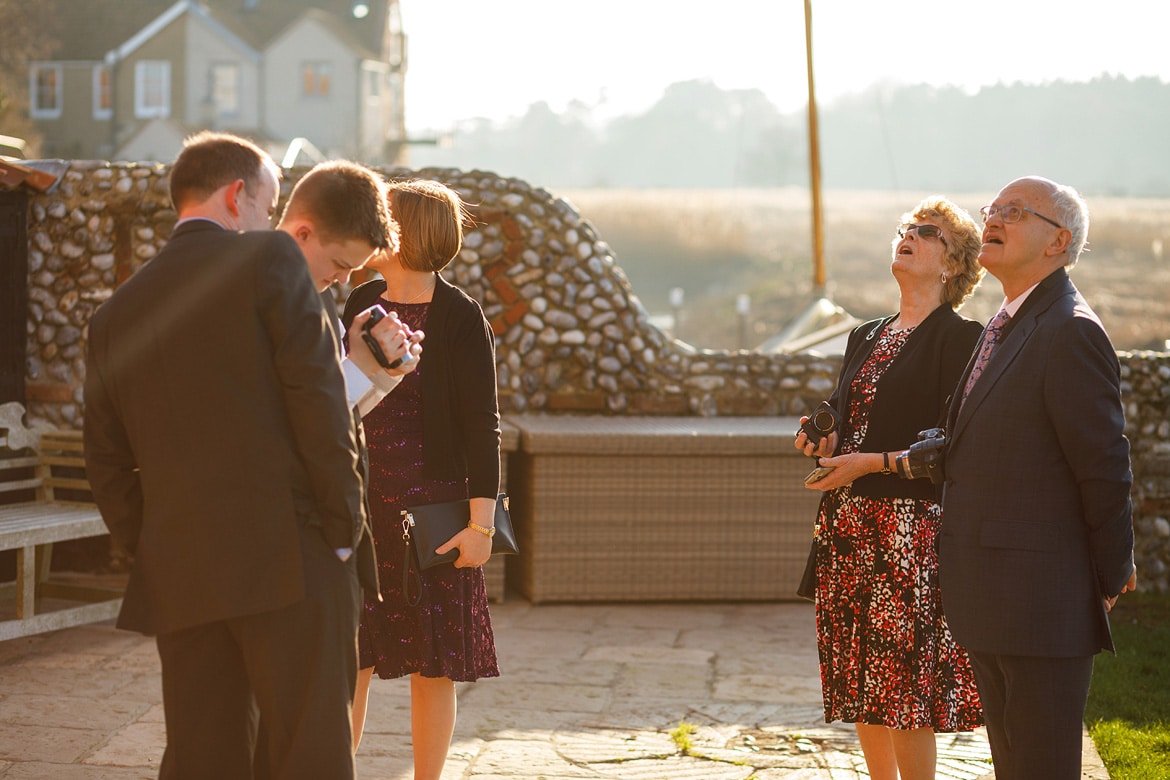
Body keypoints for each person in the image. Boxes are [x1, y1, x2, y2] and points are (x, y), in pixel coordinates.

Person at [83, 131, 401, 780]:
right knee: (308, 751)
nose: (272, 221)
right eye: (269, 203)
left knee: (204, 756)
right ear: (237, 198)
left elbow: (107, 463)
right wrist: (344, 534)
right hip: (294, 556)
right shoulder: (269, 261)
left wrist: (154, 544)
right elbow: (317, 404)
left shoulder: (114, 315)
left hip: (182, 566)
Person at [938, 176, 1136, 780]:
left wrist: (1107, 573)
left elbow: (1104, 466)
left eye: (1015, 212)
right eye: (992, 209)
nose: (993, 219)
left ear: (1059, 242)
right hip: (992, 594)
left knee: (1043, 767)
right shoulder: (1007, 320)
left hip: (1044, 601)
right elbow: (971, 440)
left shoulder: (1069, 329)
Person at [795, 196, 986, 780]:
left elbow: (949, 450)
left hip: (907, 532)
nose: (908, 236)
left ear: (953, 264)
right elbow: (845, 415)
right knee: (858, 678)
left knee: (903, 686)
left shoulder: (962, 339)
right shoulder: (865, 336)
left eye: (927, 233)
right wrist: (821, 438)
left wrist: (868, 463)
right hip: (848, 528)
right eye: (905, 228)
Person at [341, 179, 501, 779]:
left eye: (383, 218)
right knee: (348, 658)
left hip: (432, 512)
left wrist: (480, 526)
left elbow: (483, 426)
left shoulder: (461, 316)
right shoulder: (360, 299)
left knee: (434, 667)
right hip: (360, 503)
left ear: (402, 232)